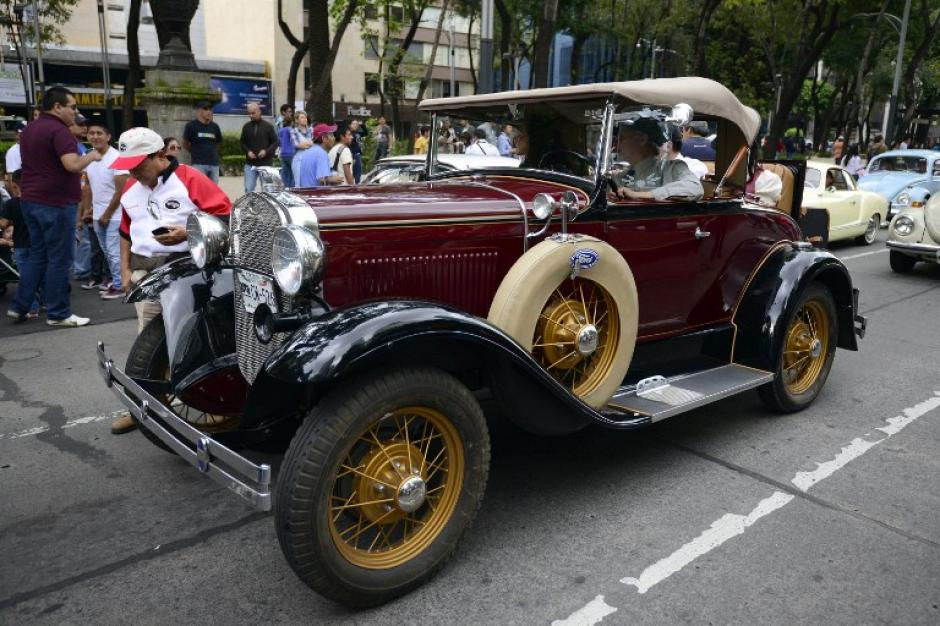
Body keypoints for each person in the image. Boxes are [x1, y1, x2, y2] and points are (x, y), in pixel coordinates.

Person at [108, 126, 232, 434]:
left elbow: (226, 217)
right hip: (146, 273)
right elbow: (124, 232)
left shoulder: (190, 178)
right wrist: (124, 271)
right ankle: (142, 407)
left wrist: (187, 231)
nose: (134, 173)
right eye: (129, 168)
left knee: (188, 340)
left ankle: (202, 403)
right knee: (148, 345)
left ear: (160, 155)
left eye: (138, 166)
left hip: (188, 271)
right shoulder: (131, 190)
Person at [8, 86, 101, 327]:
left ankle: (20, 307)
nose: (75, 112)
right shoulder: (59, 131)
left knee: (37, 255)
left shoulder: (30, 129)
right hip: (55, 203)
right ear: (57, 107)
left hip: (31, 199)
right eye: (72, 107)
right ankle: (58, 313)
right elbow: (72, 165)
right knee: (60, 259)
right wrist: (91, 156)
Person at [85, 120, 129, 300]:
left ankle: (120, 286)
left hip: (115, 215)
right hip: (98, 215)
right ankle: (117, 281)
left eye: (99, 133)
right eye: (92, 133)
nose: (95, 136)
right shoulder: (90, 157)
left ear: (108, 137)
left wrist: (106, 214)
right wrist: (89, 210)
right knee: (106, 252)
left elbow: (121, 192)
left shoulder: (117, 158)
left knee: (113, 252)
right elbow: (89, 186)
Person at [613, 118, 703, 201]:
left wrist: (640, 195)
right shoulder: (620, 175)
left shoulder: (672, 168)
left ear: (642, 139)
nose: (616, 145)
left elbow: (695, 188)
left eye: (622, 139)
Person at [0, 171, 39, 318]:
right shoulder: (37, 202)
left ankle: (33, 307)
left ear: (15, 186)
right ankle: (50, 301)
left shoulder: (11, 204)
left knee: (26, 277)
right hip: (38, 244)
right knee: (42, 274)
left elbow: (3, 224)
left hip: (21, 245)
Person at [240, 102, 278, 193]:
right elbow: (242, 142)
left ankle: (266, 207)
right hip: (250, 164)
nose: (251, 115)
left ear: (259, 111)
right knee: (248, 188)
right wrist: (248, 151)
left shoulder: (268, 126)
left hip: (266, 163)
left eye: (253, 113)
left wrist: (266, 151)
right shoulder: (246, 127)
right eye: (249, 113)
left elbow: (275, 142)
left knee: (267, 190)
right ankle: (249, 206)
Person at [182, 100, 223, 183]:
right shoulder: (191, 126)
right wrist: (194, 151)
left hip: (214, 164)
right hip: (198, 164)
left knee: (213, 191)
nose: (209, 111)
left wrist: (212, 151)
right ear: (199, 111)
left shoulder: (215, 126)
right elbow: (185, 143)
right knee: (200, 189)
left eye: (210, 109)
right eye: (205, 109)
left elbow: (219, 142)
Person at [297, 123, 343, 187]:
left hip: (305, 193)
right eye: (332, 136)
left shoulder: (308, 151)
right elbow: (322, 179)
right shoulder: (321, 153)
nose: (334, 138)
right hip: (315, 194)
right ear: (324, 138)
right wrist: (335, 179)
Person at [289, 110, 313, 186]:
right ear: (297, 120)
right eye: (302, 117)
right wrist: (308, 144)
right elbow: (296, 145)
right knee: (299, 183)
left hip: (310, 159)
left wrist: (304, 144)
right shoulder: (293, 131)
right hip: (299, 160)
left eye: (305, 117)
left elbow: (313, 144)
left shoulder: (311, 130)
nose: (305, 119)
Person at [277, 108, 295, 187]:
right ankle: (292, 189)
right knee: (293, 173)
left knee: (286, 173)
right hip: (291, 154)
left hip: (283, 154)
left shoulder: (281, 130)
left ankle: (286, 188)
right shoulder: (291, 130)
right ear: (291, 122)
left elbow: (279, 142)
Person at [4, 121, 25, 190]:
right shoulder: (12, 152)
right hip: (23, 193)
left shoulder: (34, 147)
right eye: (18, 133)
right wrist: (16, 198)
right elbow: (12, 179)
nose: (19, 136)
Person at [348, 119, 364, 183]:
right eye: (353, 124)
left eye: (356, 124)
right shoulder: (349, 134)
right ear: (350, 125)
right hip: (354, 155)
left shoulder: (358, 133)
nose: (355, 125)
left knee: (358, 173)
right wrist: (352, 156)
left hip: (358, 154)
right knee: (355, 172)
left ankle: (356, 185)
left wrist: (362, 125)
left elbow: (365, 132)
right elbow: (349, 145)